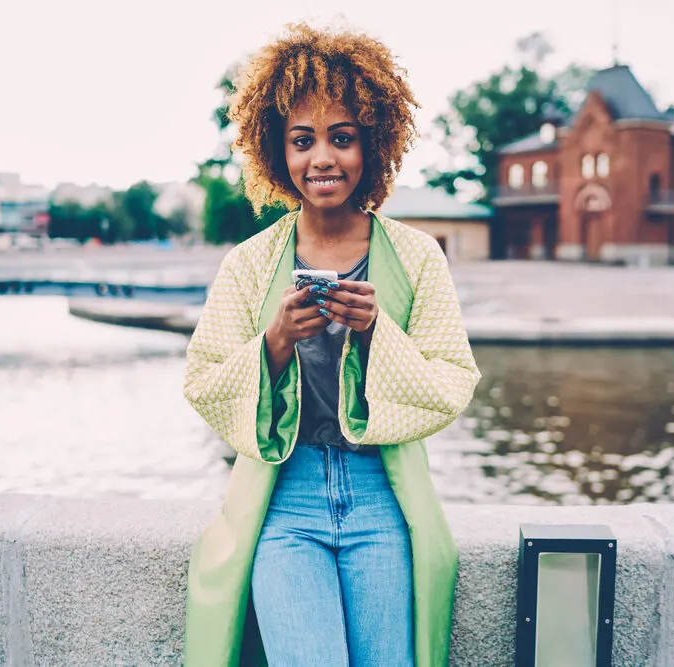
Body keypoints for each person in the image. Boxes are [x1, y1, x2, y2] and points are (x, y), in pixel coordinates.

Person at [183, 23, 481, 667]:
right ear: (276, 152)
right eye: (302, 140)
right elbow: (203, 379)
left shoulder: (418, 257)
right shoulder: (248, 263)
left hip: (385, 499)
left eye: (342, 138)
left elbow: (454, 379)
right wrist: (276, 342)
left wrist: (379, 332)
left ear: (372, 147)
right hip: (283, 502)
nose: (323, 157)